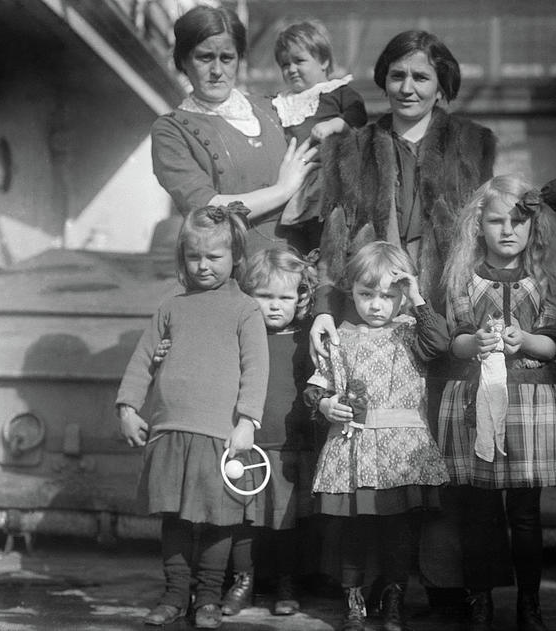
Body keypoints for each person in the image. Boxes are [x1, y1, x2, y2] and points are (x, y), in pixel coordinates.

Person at [307, 29, 503, 611]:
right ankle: (369, 586)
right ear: (383, 80)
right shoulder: (351, 148)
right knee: (375, 449)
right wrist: (322, 310)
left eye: (420, 76)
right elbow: (334, 232)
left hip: (446, 316)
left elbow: (485, 229)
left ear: (442, 85)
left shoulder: (474, 143)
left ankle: (449, 584)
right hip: (372, 319)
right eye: (397, 75)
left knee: (447, 449)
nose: (407, 87)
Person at [438, 174, 556, 631]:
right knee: (479, 512)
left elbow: (553, 344)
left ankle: (529, 604)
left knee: (525, 514)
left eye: (518, 221)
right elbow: (456, 340)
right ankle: (479, 601)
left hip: (530, 402)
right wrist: (475, 343)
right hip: (474, 402)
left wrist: (524, 339)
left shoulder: (543, 277)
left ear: (533, 226)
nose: (508, 230)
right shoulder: (463, 277)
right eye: (496, 221)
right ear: (477, 225)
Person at [115, 203, 268, 629]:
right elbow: (143, 358)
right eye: (194, 257)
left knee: (219, 520)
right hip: (169, 431)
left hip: (219, 437)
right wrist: (128, 407)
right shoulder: (171, 305)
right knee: (174, 518)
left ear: (235, 256)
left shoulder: (246, 310)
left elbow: (256, 371)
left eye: (213, 257)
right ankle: (175, 594)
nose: (203, 266)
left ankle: (209, 599)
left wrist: (246, 423)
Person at [304, 241, 451, 631]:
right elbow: (317, 386)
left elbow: (440, 344)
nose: (376, 305)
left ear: (402, 296)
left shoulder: (412, 333)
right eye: (367, 294)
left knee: (397, 532)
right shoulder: (341, 337)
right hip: (354, 448)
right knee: (352, 529)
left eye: (388, 296)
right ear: (351, 290)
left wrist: (417, 298)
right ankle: (354, 603)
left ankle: (394, 602)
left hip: (401, 452)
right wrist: (324, 406)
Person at [150, 5, 318, 255]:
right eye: (205, 57)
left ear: (239, 59)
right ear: (184, 60)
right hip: (236, 270)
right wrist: (283, 190)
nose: (217, 71)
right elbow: (208, 211)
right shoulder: (171, 130)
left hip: (299, 265)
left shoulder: (274, 108)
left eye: (227, 58)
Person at [220, 245, 320, 618]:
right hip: (247, 446)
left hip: (291, 444)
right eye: (264, 296)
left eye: (284, 297)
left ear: (301, 298)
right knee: (243, 520)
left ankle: (286, 582)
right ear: (247, 296)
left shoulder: (307, 338)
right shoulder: (240, 336)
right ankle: (242, 582)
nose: (274, 305)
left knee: (286, 521)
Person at [271, 20, 368, 255]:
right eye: (285, 64)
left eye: (299, 61)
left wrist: (334, 125)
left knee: (326, 231)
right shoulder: (281, 102)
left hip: (325, 176)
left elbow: (358, 115)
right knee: (294, 239)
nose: (291, 69)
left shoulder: (336, 91)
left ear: (323, 61)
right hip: (293, 179)